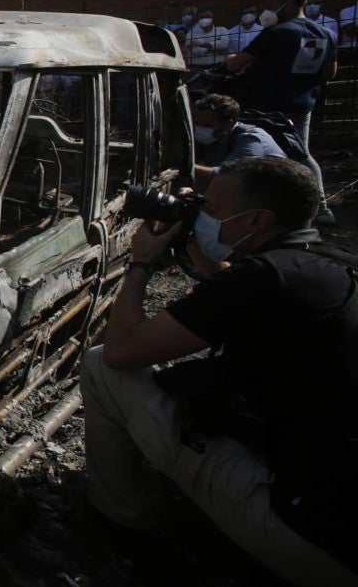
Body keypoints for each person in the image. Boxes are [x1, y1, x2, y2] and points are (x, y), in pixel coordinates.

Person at [84, 157, 358, 586]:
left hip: (313, 538)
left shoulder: (259, 281)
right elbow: (238, 293)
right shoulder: (328, 262)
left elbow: (122, 351)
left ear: (256, 218)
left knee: (101, 367)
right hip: (342, 506)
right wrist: (199, 245)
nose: (201, 214)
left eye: (210, 208)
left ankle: (121, 526)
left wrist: (140, 263)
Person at [225, 0, 338, 223]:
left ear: (292, 3)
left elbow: (236, 65)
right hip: (301, 104)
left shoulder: (276, 33)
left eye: (271, 6)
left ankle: (254, 205)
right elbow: (331, 72)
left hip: (266, 108)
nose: (267, 12)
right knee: (301, 153)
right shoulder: (327, 34)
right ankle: (320, 206)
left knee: (260, 154)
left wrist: (230, 59)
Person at [191, 93, 285, 187]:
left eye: (207, 125)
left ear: (227, 124)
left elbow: (234, 175)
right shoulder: (216, 139)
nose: (199, 128)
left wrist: (186, 168)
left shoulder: (251, 138)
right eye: (197, 123)